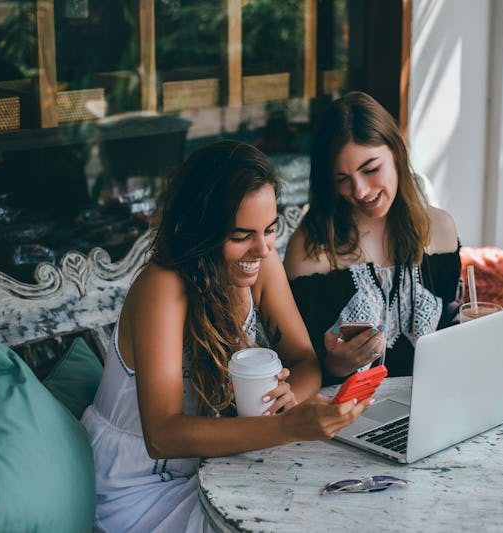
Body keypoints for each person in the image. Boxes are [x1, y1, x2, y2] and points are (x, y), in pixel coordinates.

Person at [81, 140, 370, 532]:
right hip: (136, 488)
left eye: (269, 230)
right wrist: (287, 428)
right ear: (201, 230)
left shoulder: (259, 267)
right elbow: (163, 436)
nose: (263, 248)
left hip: (212, 468)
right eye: (241, 235)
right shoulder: (163, 288)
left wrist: (291, 400)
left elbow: (304, 362)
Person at [284, 91, 463, 387]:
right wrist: (334, 365)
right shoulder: (309, 249)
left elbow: (450, 333)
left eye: (371, 169)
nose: (361, 191)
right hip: (343, 417)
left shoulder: (440, 228)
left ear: (397, 153)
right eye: (342, 179)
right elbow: (294, 366)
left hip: (429, 404)